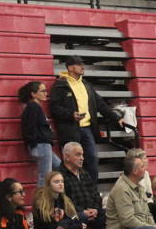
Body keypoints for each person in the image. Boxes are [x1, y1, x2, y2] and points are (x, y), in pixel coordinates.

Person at [49, 55, 124, 183]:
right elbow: (54, 107)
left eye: (82, 64)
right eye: (79, 64)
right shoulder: (60, 85)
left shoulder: (86, 85)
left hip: (87, 128)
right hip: (70, 130)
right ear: (70, 67)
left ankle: (92, 189)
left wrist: (116, 118)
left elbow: (100, 104)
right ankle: (72, 188)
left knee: (93, 159)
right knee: (72, 163)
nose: (82, 67)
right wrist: (70, 115)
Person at [57, 141, 106, 229]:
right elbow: (62, 201)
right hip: (72, 214)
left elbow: (96, 194)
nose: (82, 158)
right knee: (80, 217)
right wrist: (82, 211)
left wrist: (96, 209)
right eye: (78, 155)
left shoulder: (85, 173)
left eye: (82, 155)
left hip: (92, 212)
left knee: (109, 214)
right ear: (67, 157)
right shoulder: (58, 175)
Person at [18, 80, 56, 191]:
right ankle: (42, 200)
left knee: (59, 167)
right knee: (45, 176)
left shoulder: (34, 107)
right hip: (41, 144)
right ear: (33, 94)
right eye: (43, 91)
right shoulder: (34, 107)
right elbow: (29, 126)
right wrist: (33, 143)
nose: (46, 94)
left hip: (43, 144)